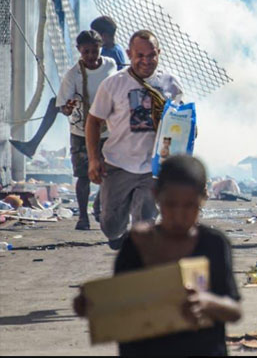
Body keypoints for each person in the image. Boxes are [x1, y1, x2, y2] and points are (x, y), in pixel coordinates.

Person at [72, 155, 242, 356]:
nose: (179, 215)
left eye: (189, 206)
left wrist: (207, 302)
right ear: (156, 196)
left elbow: (234, 310)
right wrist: (90, 304)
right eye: (170, 205)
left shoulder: (213, 244)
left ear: (203, 199)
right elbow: (118, 302)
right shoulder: (136, 244)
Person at [86, 30, 184, 249]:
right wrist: (93, 159)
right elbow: (93, 121)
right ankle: (115, 231)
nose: (146, 61)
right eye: (140, 55)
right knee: (110, 224)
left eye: (151, 55)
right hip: (118, 164)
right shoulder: (113, 84)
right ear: (129, 54)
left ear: (159, 53)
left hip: (154, 168)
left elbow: (180, 121)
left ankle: (139, 260)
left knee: (144, 222)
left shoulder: (170, 83)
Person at [56, 30, 117, 230]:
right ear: (79, 51)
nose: (91, 56)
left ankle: (99, 205)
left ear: (101, 49)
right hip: (81, 131)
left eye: (94, 51)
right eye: (86, 52)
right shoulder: (72, 75)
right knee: (83, 175)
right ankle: (83, 217)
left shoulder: (110, 65)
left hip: (108, 130)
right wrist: (69, 107)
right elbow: (63, 108)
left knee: (110, 171)